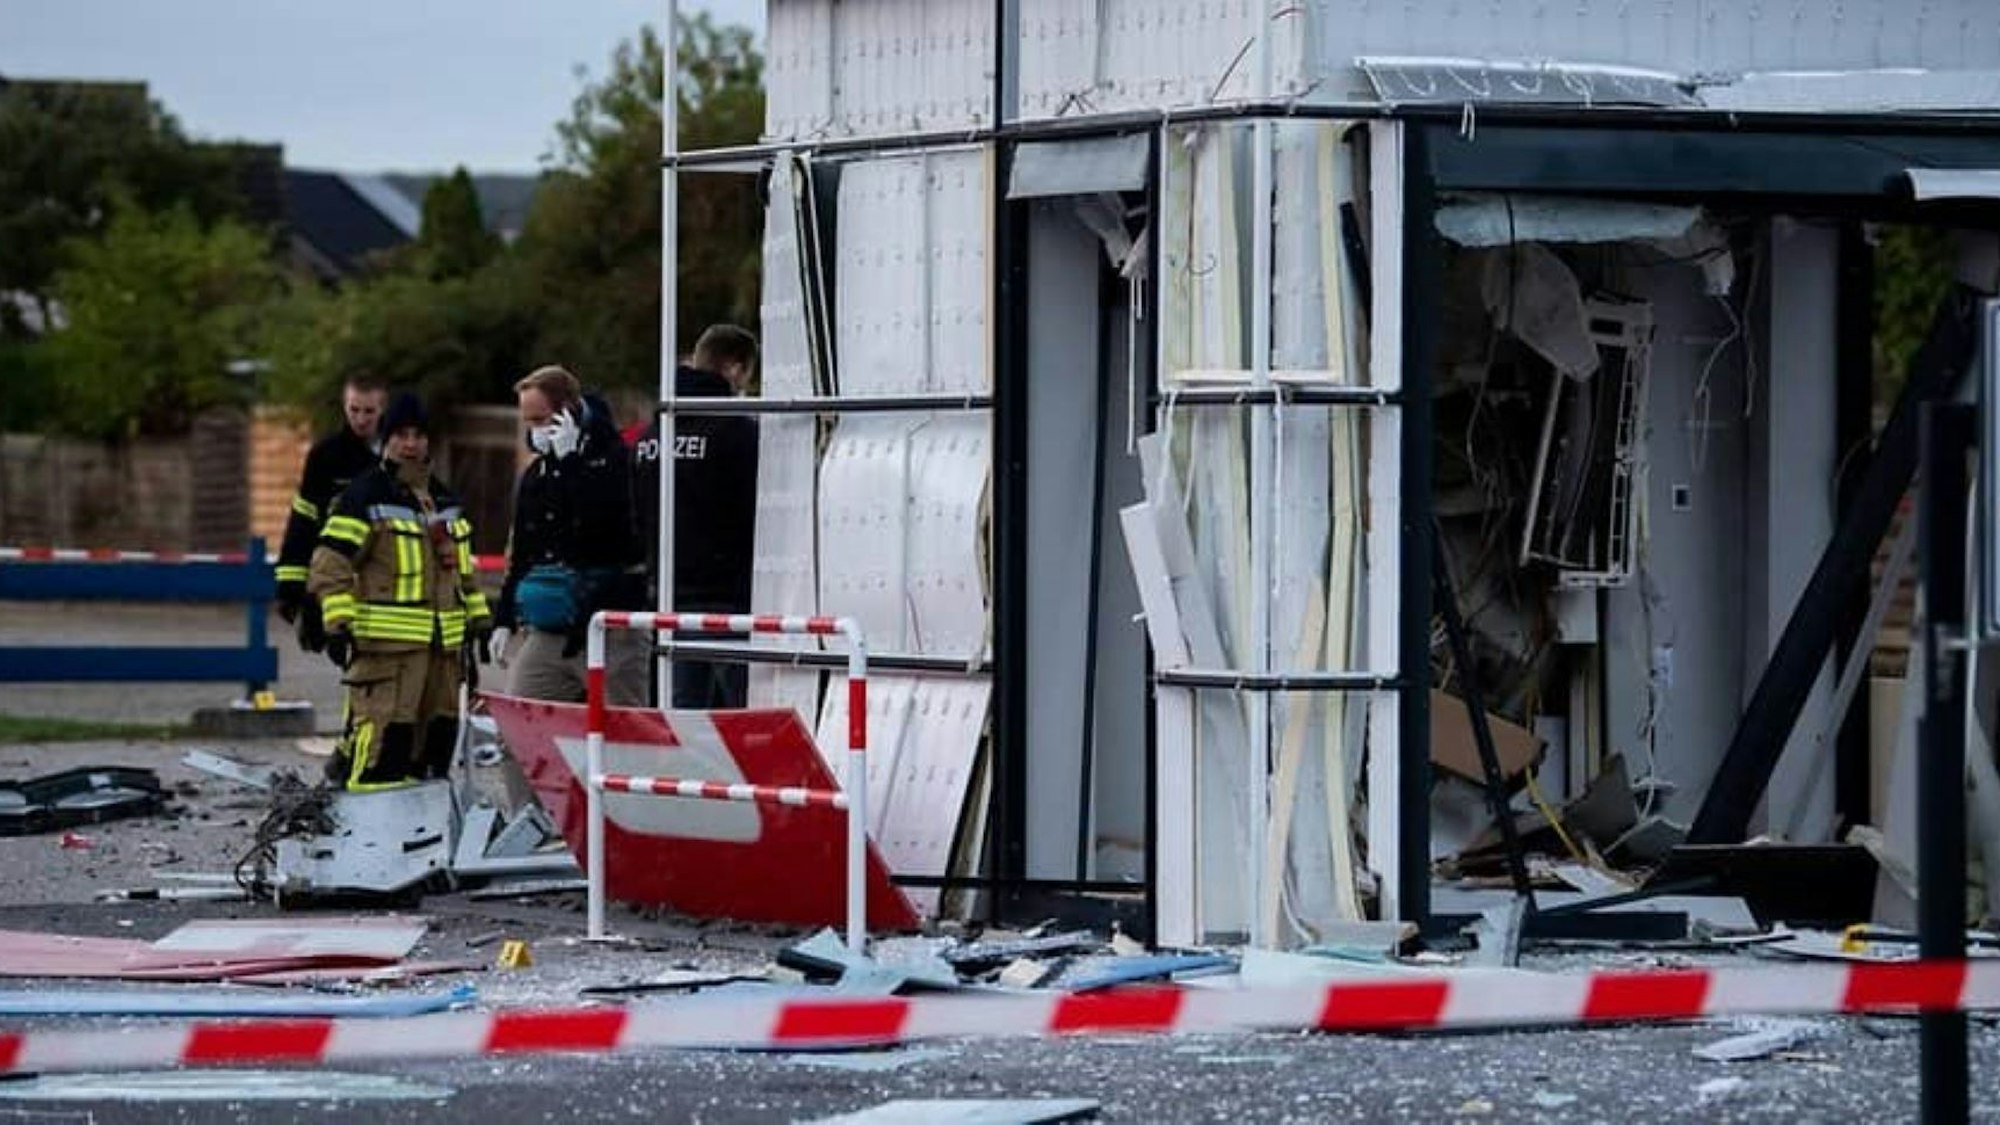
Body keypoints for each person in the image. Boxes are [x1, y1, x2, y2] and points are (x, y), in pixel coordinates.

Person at [308, 393, 492, 790]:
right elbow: (330, 563)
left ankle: (423, 828)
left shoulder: (445, 500)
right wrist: (337, 623)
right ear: (386, 439)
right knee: (383, 750)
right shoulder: (365, 496)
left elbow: (463, 571)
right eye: (401, 435)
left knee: (435, 752)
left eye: (418, 435)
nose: (410, 444)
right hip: (387, 655)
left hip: (444, 656)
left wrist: (479, 622)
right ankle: (362, 823)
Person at [491, 365, 649, 705]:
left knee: (625, 724)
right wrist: (504, 618)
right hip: (553, 625)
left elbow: (604, 532)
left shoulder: (616, 460)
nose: (534, 431)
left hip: (610, 625)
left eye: (540, 420)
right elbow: (523, 551)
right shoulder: (538, 472)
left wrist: (570, 465)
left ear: (568, 413)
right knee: (524, 714)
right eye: (528, 422)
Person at [632, 325, 760, 708]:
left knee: (681, 719)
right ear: (735, 369)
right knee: (745, 715)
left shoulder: (652, 435)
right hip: (730, 601)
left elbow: (637, 514)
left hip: (668, 597)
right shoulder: (738, 432)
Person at [274, 376, 385, 652]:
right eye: (354, 410)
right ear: (344, 406)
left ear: (382, 409)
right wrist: (292, 587)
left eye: (369, 411)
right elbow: (303, 521)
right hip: (337, 575)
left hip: (385, 577)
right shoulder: (325, 456)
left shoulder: (397, 455)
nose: (361, 419)